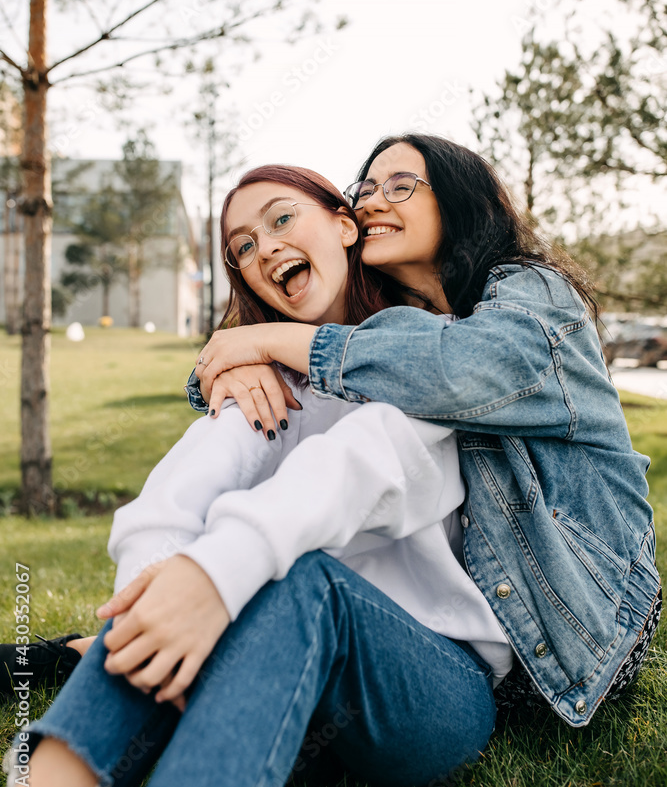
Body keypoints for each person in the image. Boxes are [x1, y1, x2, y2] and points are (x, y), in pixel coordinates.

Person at [5, 163, 509, 787]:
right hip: (285, 665)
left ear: (345, 225)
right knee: (167, 576)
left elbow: (359, 466)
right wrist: (156, 598)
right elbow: (173, 499)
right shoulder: (264, 378)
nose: (264, 247)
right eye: (243, 246)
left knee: (297, 578)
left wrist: (216, 572)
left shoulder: (421, 355)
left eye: (281, 219)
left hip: (432, 686)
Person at [193, 133, 662, 727]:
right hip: (455, 627)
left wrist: (260, 341)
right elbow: (335, 346)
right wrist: (236, 360)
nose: (371, 203)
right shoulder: (398, 320)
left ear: (461, 199)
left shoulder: (534, 294)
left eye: (399, 187)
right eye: (364, 191)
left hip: (576, 624)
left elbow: (455, 370)